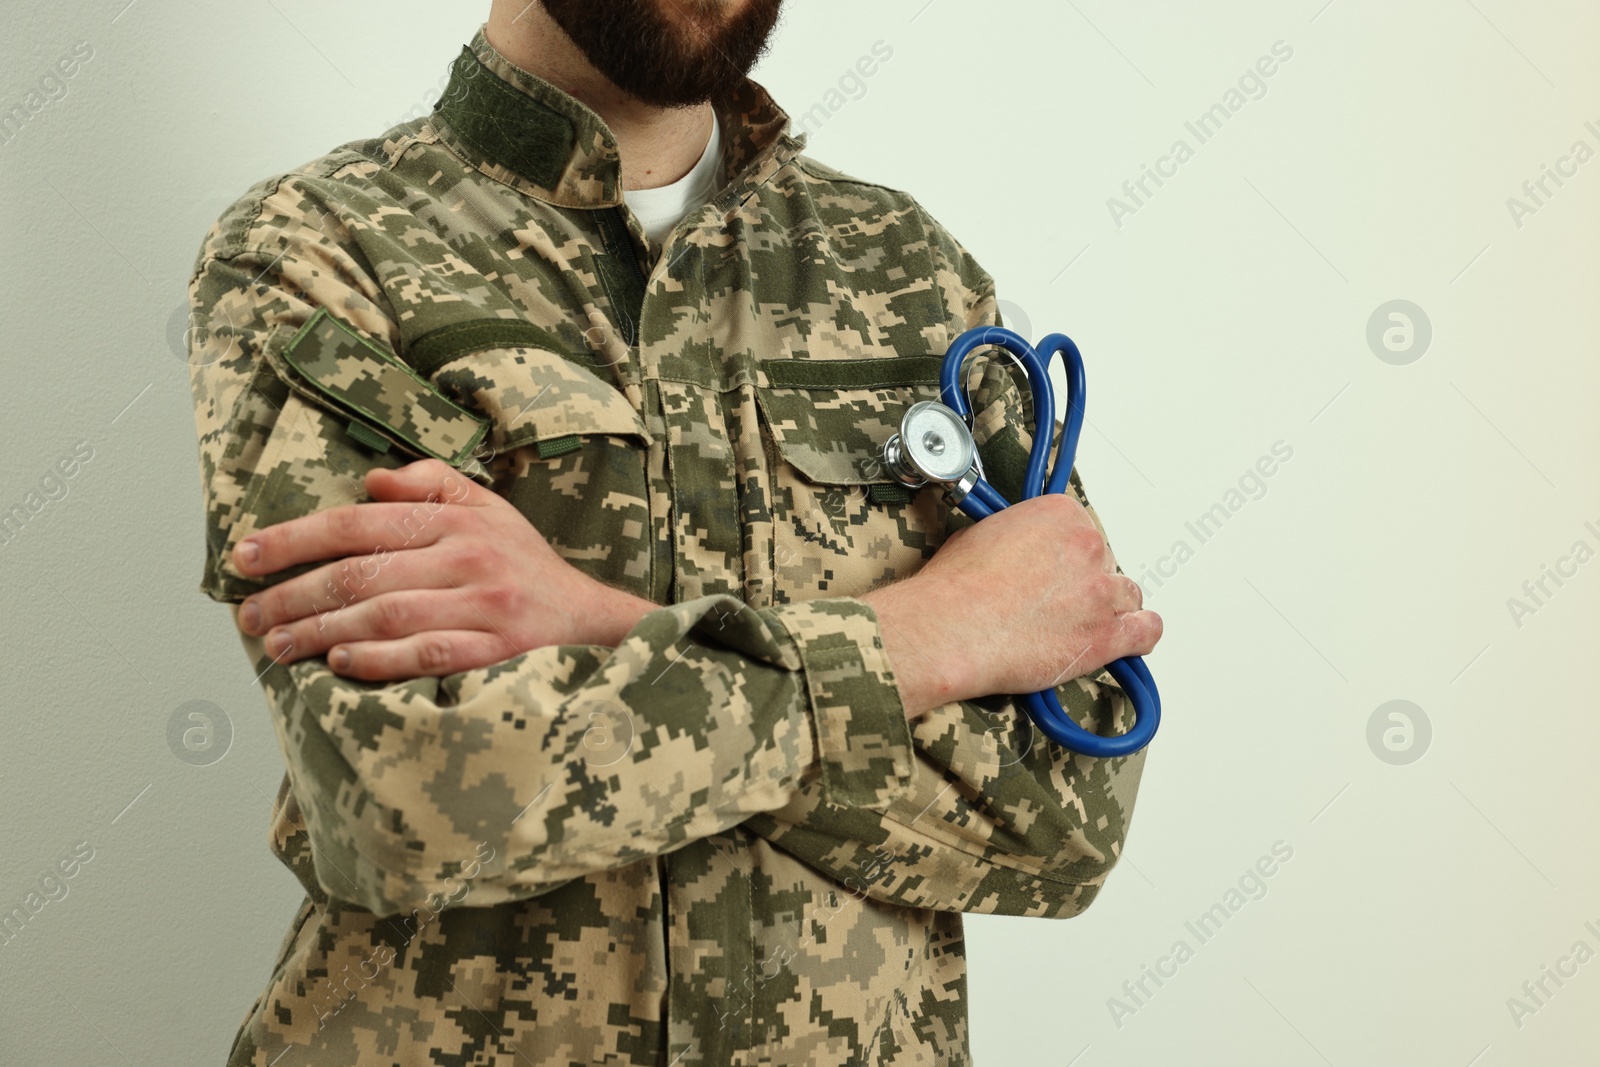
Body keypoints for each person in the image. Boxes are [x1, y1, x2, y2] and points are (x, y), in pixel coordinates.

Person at [183, 1, 1164, 1063]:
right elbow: (402, 797)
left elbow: (1067, 821)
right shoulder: (317, 250)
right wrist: (922, 640)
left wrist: (600, 622)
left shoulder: (903, 268)